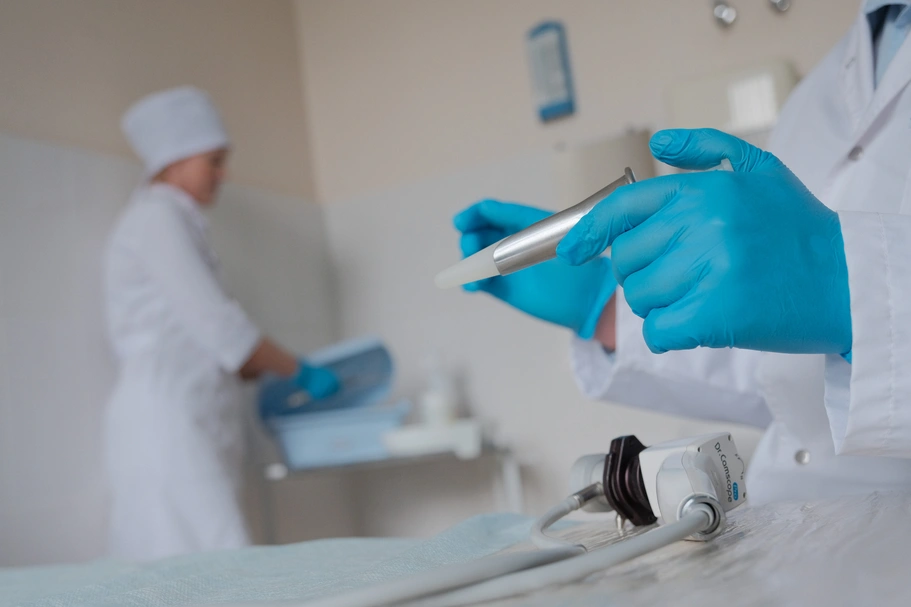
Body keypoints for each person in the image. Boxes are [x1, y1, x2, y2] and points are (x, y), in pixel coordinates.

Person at [454, 1, 911, 505]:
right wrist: (601, 305)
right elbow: (793, 382)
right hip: (797, 517)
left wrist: (848, 287)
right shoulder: (817, 94)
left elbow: (871, 346)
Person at [103, 86, 339, 561]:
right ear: (174, 160)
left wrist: (259, 369)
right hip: (166, 424)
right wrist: (299, 370)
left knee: (204, 566)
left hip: (187, 419)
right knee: (207, 568)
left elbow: (215, 344)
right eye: (213, 161)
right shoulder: (156, 220)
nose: (223, 174)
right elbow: (222, 329)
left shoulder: (174, 222)